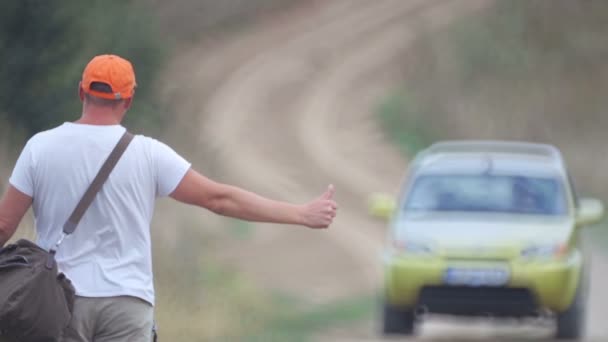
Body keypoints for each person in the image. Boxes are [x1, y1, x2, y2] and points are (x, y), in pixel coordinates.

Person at [0, 54, 338, 341]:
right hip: (127, 304)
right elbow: (219, 199)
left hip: (60, 301)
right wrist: (300, 213)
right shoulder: (148, 154)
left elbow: (3, 226)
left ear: (81, 93)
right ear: (129, 100)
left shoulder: (40, 148)